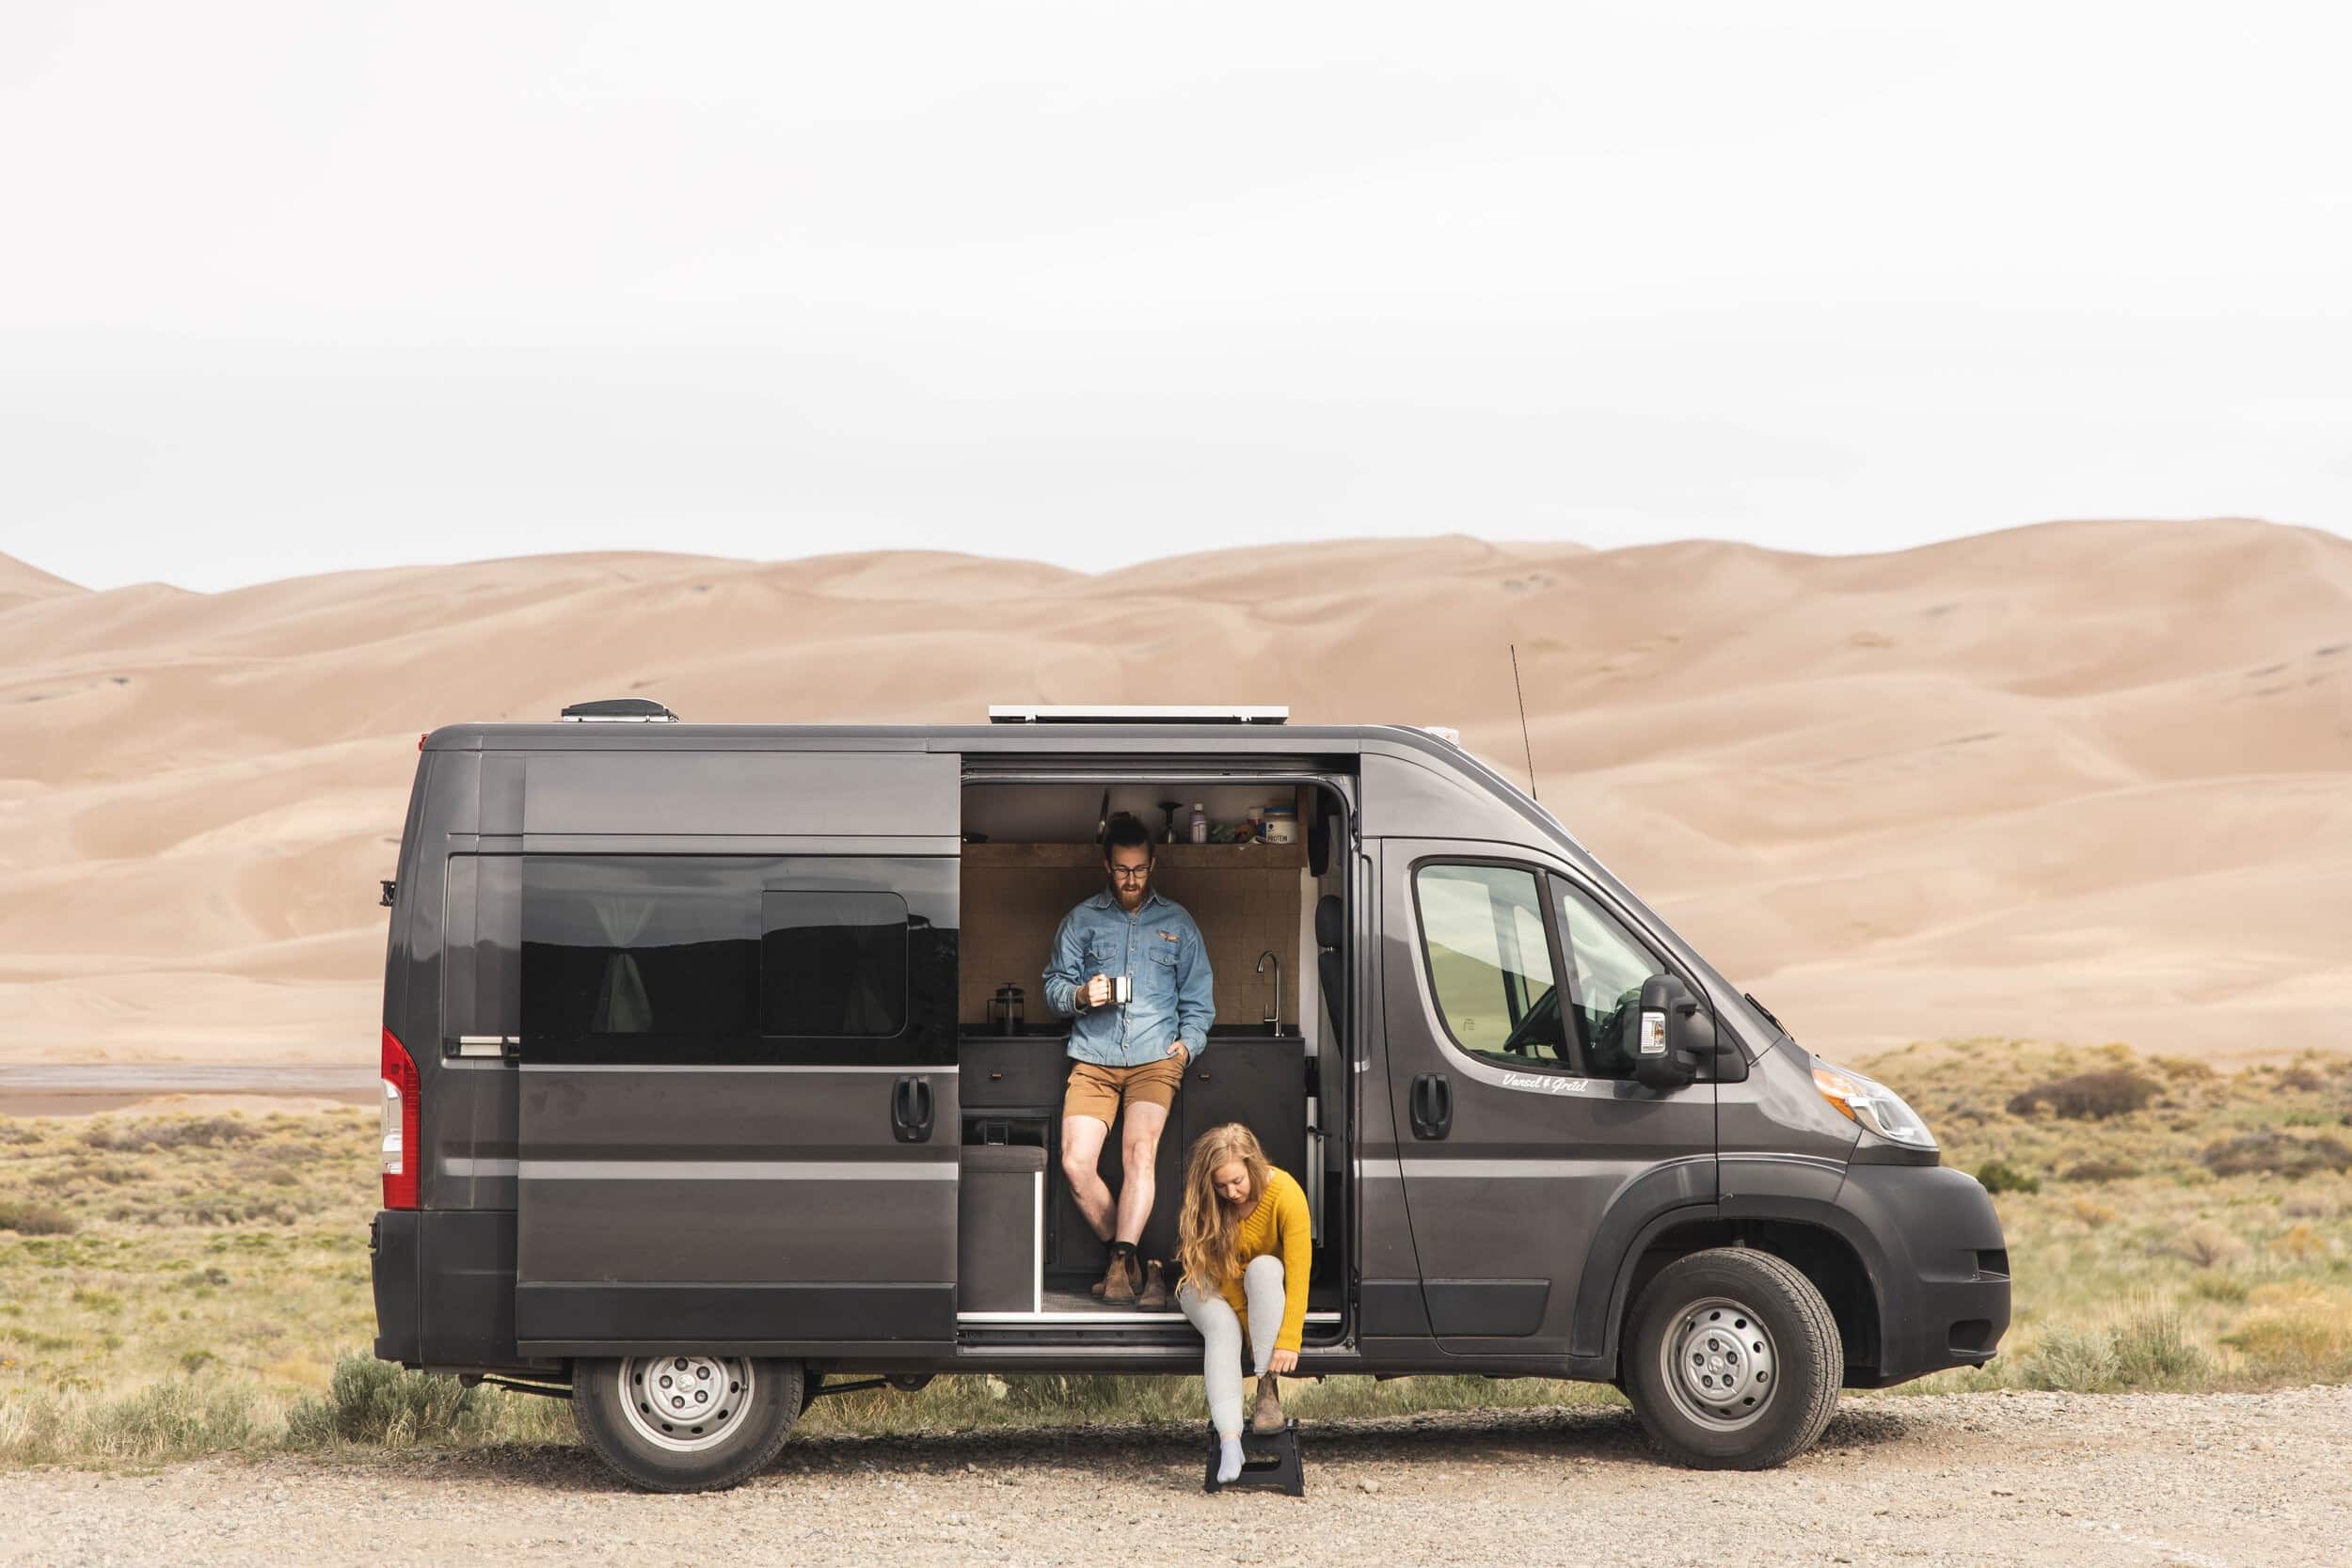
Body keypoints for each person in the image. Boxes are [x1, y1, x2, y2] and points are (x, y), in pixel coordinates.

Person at [1042, 812, 1216, 1306]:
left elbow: (1199, 997)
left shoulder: (1177, 923)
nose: (1132, 879)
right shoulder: (1081, 920)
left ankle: (1118, 1267)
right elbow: (1052, 985)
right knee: (1076, 1164)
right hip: (1093, 1057)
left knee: (1139, 1155)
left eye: (1140, 869)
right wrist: (1079, 994)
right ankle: (1131, 1261)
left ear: (1152, 863)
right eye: (1122, 870)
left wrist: (1189, 1043)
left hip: (1154, 1059)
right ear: (1107, 865)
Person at [1174, 1121, 1311, 1484]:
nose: (1231, 1192)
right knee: (1222, 1329)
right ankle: (1230, 1439)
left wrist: (1288, 1341)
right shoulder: (1209, 1201)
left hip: (1255, 1284)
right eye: (1220, 1185)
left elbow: (1299, 1271)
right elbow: (1221, 1278)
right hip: (1208, 1284)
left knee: (1267, 1268)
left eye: (1237, 1182)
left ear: (1253, 1166)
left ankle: (1268, 1388)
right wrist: (1250, 1330)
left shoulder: (1285, 1193)